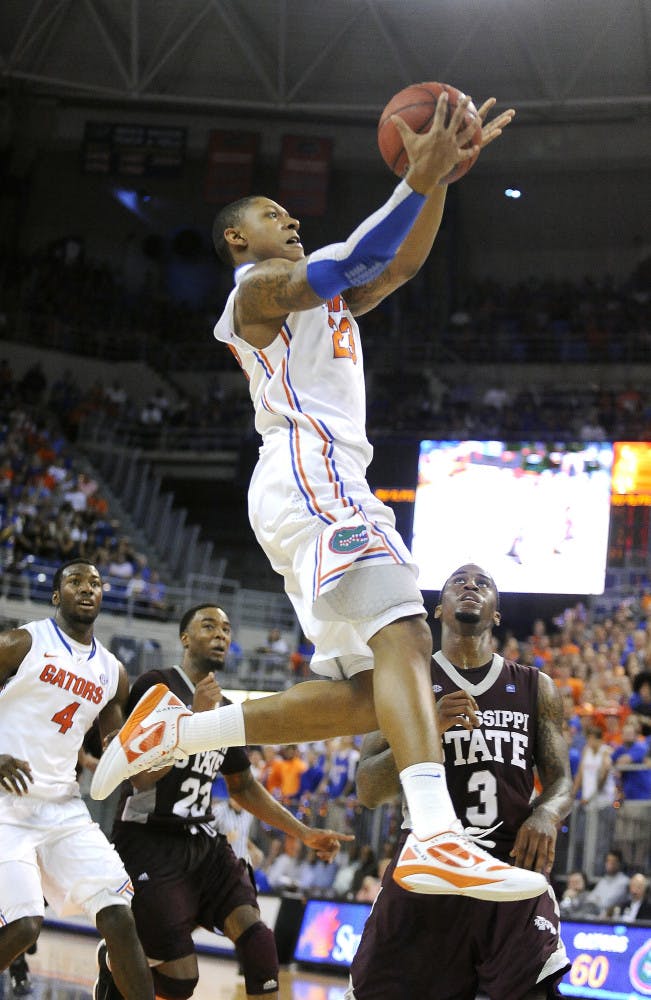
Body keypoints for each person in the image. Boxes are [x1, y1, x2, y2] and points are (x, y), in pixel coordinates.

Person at [89, 96, 547, 904]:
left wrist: (435, 180)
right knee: (409, 625)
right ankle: (437, 837)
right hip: (311, 471)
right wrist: (415, 176)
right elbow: (342, 266)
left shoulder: (320, 297)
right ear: (238, 237)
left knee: (374, 691)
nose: (290, 218)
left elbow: (395, 265)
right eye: (274, 212)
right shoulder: (256, 291)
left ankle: (179, 731)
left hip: (322, 481)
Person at [99, 604, 352, 1000]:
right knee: (181, 981)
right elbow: (138, 776)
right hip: (150, 841)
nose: (221, 633)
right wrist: (191, 723)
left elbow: (244, 787)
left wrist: (303, 832)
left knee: (260, 944)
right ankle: (115, 966)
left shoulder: (226, 712)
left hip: (204, 845)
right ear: (185, 638)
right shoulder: (156, 686)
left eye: (227, 628)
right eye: (209, 625)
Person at [345, 564, 574, 1000]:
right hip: (426, 863)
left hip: (509, 866)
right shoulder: (404, 683)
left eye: (482, 583)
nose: (470, 586)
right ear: (438, 609)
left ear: (498, 615)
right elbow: (368, 789)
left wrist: (545, 812)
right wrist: (427, 727)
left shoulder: (534, 686)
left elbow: (561, 782)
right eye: (458, 582)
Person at [0, 559, 153, 1000]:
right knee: (24, 926)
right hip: (7, 807)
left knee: (119, 915)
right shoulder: (22, 642)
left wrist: (162, 740)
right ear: (56, 596)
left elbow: (116, 747)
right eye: (75, 582)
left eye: (96, 583)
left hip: (63, 809)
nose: (87, 589)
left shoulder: (112, 672)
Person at [584, 849, 630, 918]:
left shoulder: (624, 881)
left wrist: (597, 900)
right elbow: (590, 899)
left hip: (612, 918)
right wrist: (596, 901)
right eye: (608, 861)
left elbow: (607, 902)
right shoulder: (604, 880)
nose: (609, 864)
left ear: (619, 863)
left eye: (613, 861)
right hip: (595, 916)